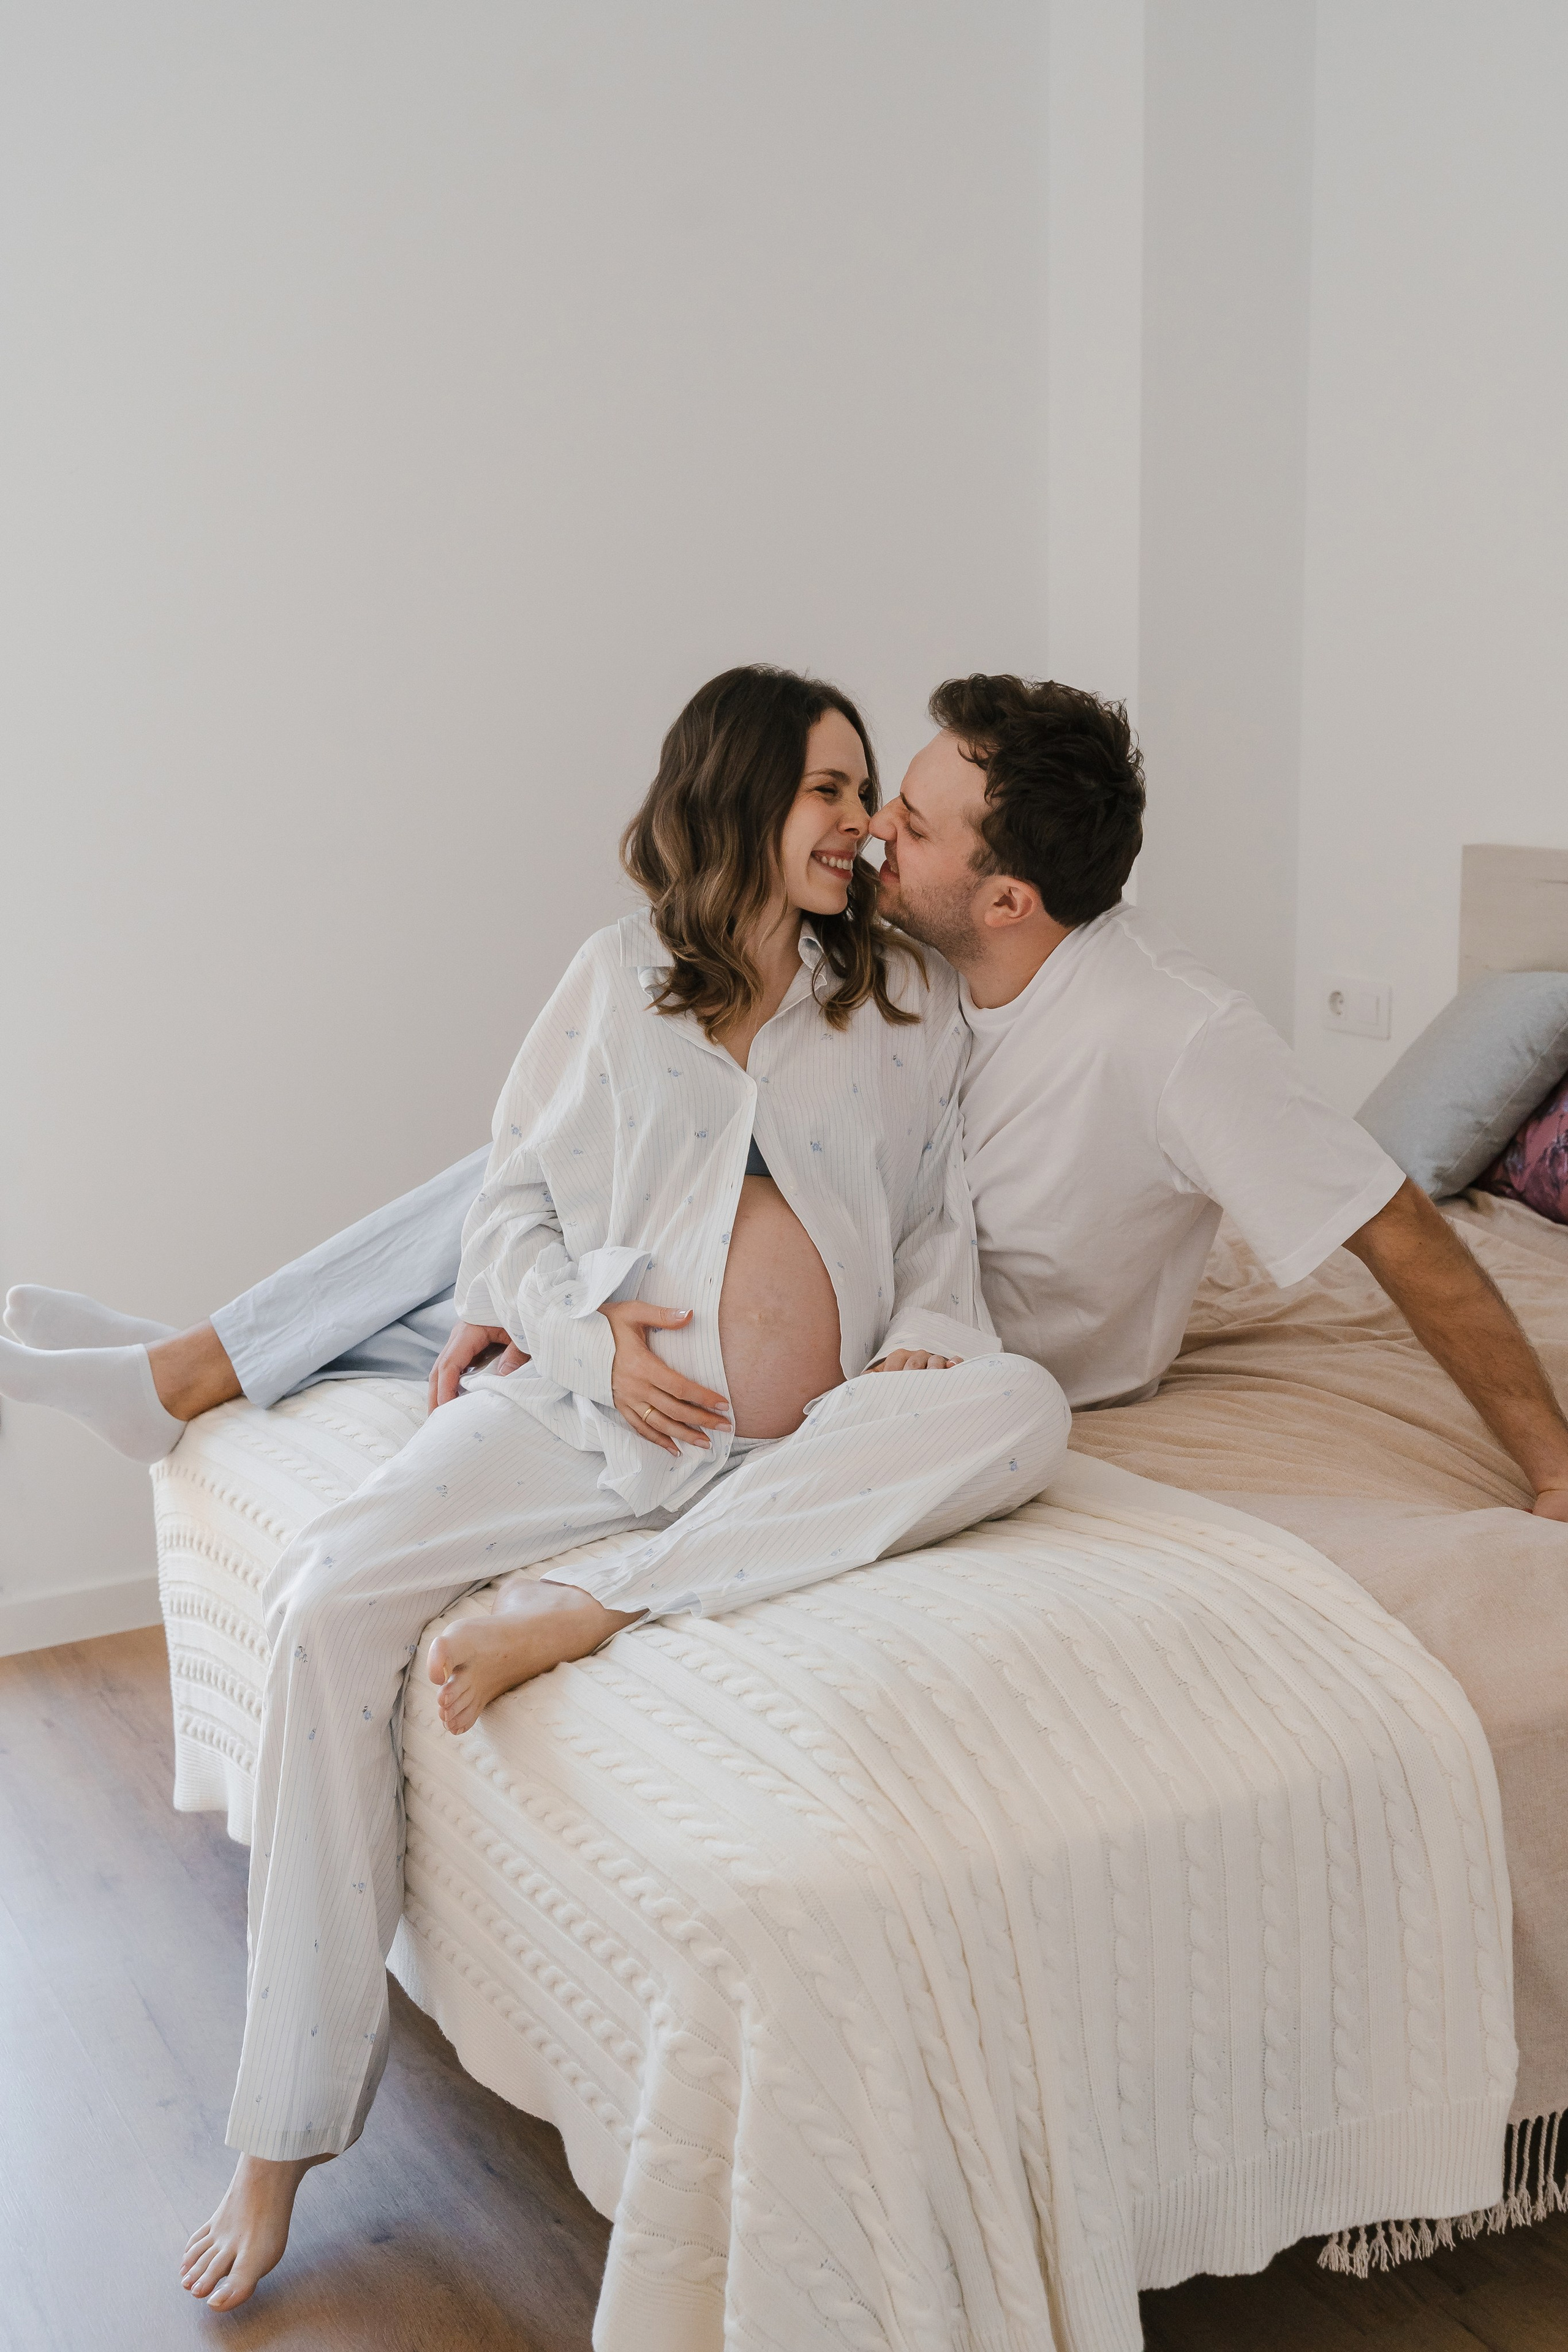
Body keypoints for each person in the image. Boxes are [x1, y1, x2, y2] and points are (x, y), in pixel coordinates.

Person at [161, 664, 1066, 2310]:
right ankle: (276, 2140)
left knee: (1017, 1405)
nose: (861, 825)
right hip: (592, 1426)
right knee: (322, 1603)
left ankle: (600, 1602)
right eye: (829, 789)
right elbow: (506, 1215)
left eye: (864, 790)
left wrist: (922, 1354)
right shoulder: (615, 981)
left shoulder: (904, 1005)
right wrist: (590, 1346)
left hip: (799, 1455)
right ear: (737, 796)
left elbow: (940, 1232)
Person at [10, 675, 1567, 1517]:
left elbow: (1398, 1230)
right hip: (837, 1270)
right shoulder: (914, 960)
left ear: (1009, 895)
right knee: (570, 1166)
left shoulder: (1175, 1033)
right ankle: (200, 1362)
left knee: (561, 1236)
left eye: (913, 822)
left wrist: (1552, 1469)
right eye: (883, 796)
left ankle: (196, 1366)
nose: (876, 829)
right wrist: (517, 1282)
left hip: (936, 1353)